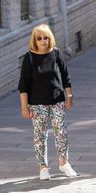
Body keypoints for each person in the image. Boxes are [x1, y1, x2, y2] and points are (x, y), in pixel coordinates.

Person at [18, 24, 77, 180]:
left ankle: (64, 163)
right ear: (34, 40)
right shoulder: (29, 57)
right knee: (40, 135)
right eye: (39, 38)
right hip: (37, 104)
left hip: (57, 101)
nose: (43, 41)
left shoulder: (56, 53)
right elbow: (23, 85)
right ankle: (43, 167)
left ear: (50, 38)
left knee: (62, 132)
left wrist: (69, 96)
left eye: (46, 37)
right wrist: (24, 107)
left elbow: (65, 76)